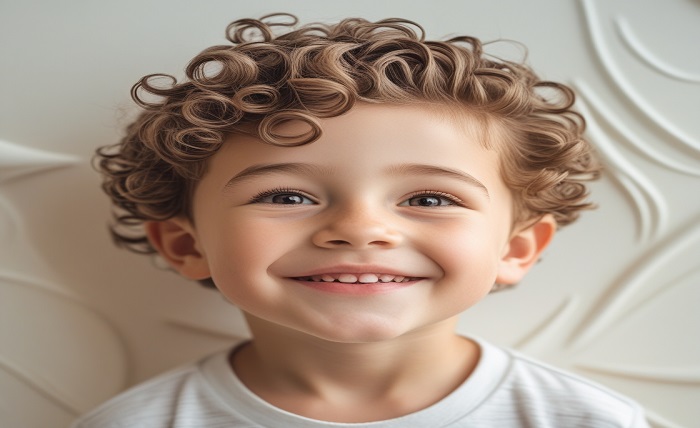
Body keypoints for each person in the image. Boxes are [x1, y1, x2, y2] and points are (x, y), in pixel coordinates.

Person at [72, 14, 649, 427]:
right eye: (288, 197)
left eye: (428, 199)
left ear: (516, 249)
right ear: (184, 244)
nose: (360, 228)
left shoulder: (588, 420)